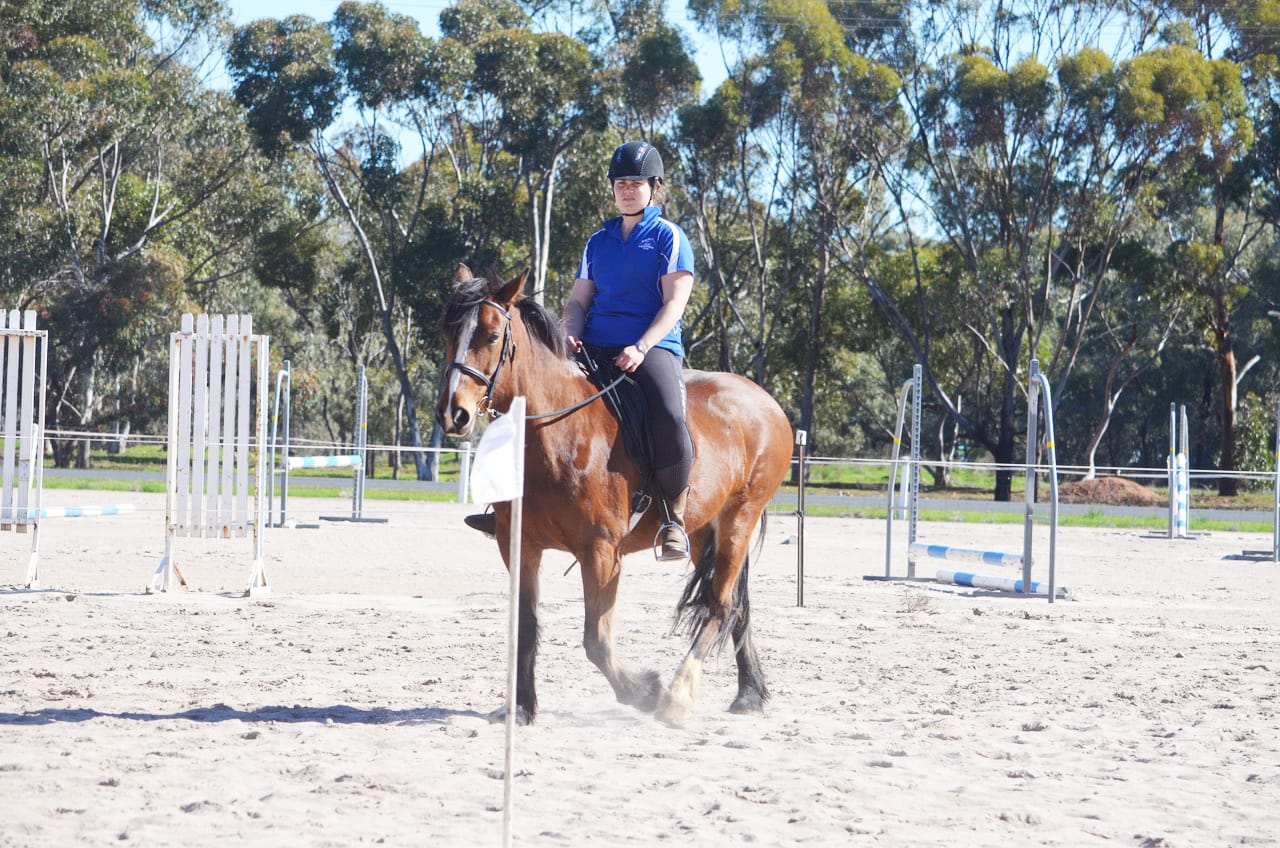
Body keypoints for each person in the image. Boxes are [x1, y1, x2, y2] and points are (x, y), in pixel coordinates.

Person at [465, 140, 697, 561]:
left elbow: (673, 304)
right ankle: (502, 505)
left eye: (636, 183)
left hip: (652, 347)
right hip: (592, 346)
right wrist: (569, 333)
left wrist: (642, 347)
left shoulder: (669, 237)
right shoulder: (598, 242)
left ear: (654, 187)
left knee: (669, 415)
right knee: (521, 399)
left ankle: (672, 517)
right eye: (621, 183)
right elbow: (577, 301)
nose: (627, 190)